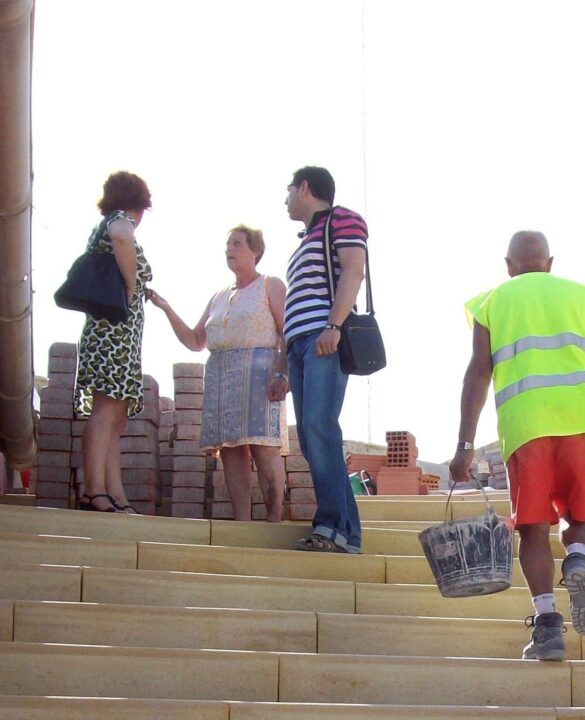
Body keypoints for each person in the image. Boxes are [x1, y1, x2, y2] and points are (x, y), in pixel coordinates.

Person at [449, 231, 585, 661]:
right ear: (550, 262)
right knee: (579, 515)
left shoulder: (493, 302)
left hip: (527, 427)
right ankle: (577, 557)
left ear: (509, 265)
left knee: (533, 528)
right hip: (582, 425)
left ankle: (547, 626)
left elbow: (477, 374)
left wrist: (465, 444)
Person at [147, 226, 288, 522]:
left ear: (255, 251)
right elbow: (195, 341)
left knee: (263, 448)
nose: (229, 249)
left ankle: (274, 520)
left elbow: (288, 333)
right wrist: (166, 308)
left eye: (237, 243)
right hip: (221, 377)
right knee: (231, 451)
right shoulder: (218, 297)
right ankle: (242, 523)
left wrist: (282, 373)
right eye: (227, 244)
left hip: (259, 375)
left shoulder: (270, 285)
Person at [269, 166, 367, 553]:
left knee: (319, 428)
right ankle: (347, 533)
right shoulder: (306, 238)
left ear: (305, 188)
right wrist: (282, 364)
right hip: (298, 344)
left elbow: (354, 272)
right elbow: (294, 303)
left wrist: (334, 325)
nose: (286, 197)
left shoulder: (342, 219)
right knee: (313, 440)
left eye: (289, 189)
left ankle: (331, 527)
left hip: (322, 338)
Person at [74, 171, 154, 513]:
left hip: (120, 338)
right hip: (112, 336)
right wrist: (132, 284)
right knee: (106, 411)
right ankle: (94, 490)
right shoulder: (120, 221)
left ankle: (114, 492)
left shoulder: (109, 222)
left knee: (115, 417)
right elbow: (122, 238)